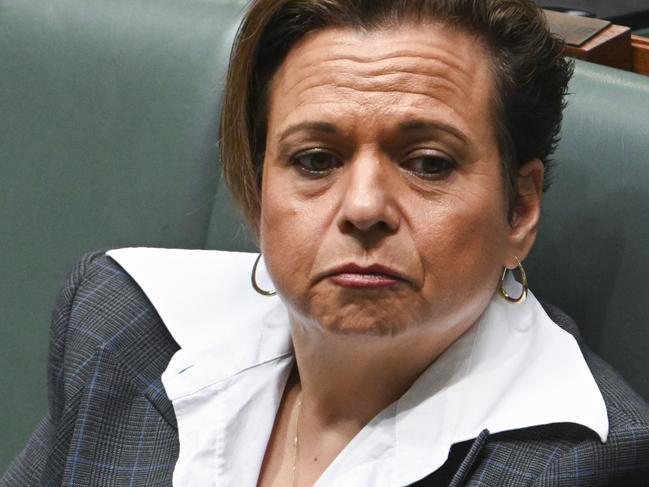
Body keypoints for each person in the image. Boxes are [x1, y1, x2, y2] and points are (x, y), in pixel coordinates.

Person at [3, 0, 649, 485]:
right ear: (258, 190)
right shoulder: (122, 324)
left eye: (427, 163)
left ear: (518, 210)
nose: (363, 207)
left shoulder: (582, 465)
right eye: (315, 160)